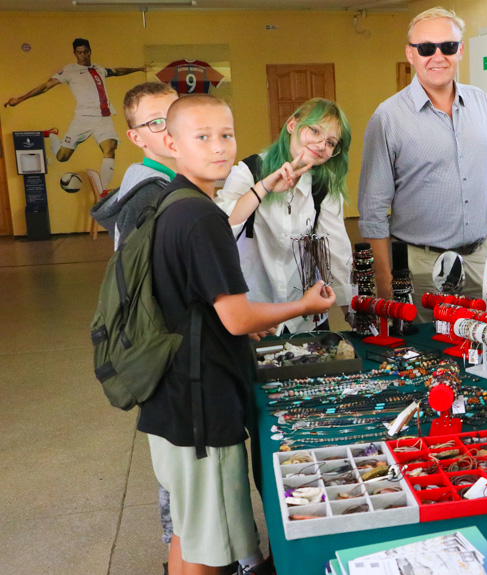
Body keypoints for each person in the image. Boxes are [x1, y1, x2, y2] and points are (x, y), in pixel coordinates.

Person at [140, 93, 334, 575]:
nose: (219, 148)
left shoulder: (175, 202)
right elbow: (237, 318)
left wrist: (266, 183)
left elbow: (197, 303)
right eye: (202, 136)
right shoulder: (202, 218)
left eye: (226, 135)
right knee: (214, 551)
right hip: (202, 408)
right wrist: (305, 305)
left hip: (170, 402)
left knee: (188, 531)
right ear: (170, 143)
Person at [358, 7, 487, 318]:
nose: (438, 56)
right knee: (426, 352)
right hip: (421, 268)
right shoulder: (387, 118)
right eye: (426, 48)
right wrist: (384, 280)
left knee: (486, 348)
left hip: (483, 259)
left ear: (461, 51)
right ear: (411, 54)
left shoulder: (482, 102)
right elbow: (373, 210)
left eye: (448, 46)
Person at [215, 97, 352, 334]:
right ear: (292, 125)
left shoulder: (323, 186)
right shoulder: (249, 171)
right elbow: (221, 227)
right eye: (315, 131)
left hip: (304, 319)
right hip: (255, 317)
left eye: (331, 142)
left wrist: (351, 311)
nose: (321, 145)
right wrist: (264, 188)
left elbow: (336, 252)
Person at [3, 38, 149, 190]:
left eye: (85, 52)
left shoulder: (98, 68)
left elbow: (117, 71)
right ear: (75, 54)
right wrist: (20, 99)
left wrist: (138, 69)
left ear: (90, 51)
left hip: (103, 117)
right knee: (62, 157)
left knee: (110, 149)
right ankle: (53, 134)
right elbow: (46, 86)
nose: (83, 55)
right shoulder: (69, 71)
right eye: (79, 53)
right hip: (82, 119)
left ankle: (103, 191)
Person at [91, 82, 178, 250]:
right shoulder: (147, 198)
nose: (171, 128)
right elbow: (133, 271)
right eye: (156, 122)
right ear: (137, 138)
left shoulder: (183, 180)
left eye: (176, 115)